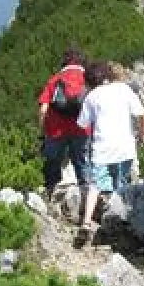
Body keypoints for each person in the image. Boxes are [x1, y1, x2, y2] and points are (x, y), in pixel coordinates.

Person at [76, 60, 144, 237]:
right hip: (125, 148)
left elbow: (82, 123)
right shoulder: (123, 89)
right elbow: (141, 113)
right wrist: (142, 133)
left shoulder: (92, 96)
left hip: (101, 149)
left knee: (95, 186)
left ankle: (87, 222)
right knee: (121, 184)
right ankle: (122, 222)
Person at [37, 48, 91, 200]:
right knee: (81, 163)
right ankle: (86, 196)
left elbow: (43, 109)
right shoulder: (87, 79)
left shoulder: (55, 79)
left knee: (53, 162)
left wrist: (43, 131)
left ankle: (51, 193)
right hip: (82, 129)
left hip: (55, 130)